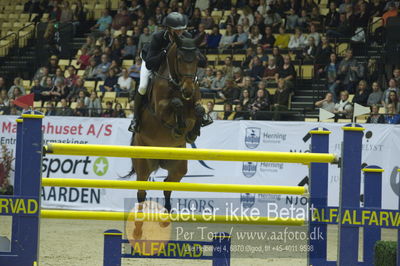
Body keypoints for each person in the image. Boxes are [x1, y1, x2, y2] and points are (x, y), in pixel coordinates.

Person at [128, 12, 211, 133]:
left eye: (182, 29)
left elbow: (199, 58)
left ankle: (201, 115)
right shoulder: (158, 37)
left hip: (173, 66)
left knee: (192, 80)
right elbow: (151, 63)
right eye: (176, 30)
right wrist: (166, 52)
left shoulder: (186, 36)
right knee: (143, 86)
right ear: (168, 28)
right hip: (151, 61)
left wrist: (197, 56)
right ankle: (136, 119)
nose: (180, 32)